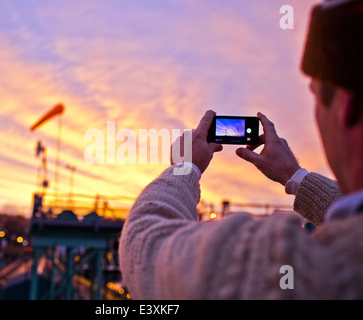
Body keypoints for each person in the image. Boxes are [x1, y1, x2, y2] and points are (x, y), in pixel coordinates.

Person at [119, 0, 363, 299]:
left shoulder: (294, 266)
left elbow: (144, 245)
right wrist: (294, 175)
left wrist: (185, 167)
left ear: (345, 105)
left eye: (314, 94)